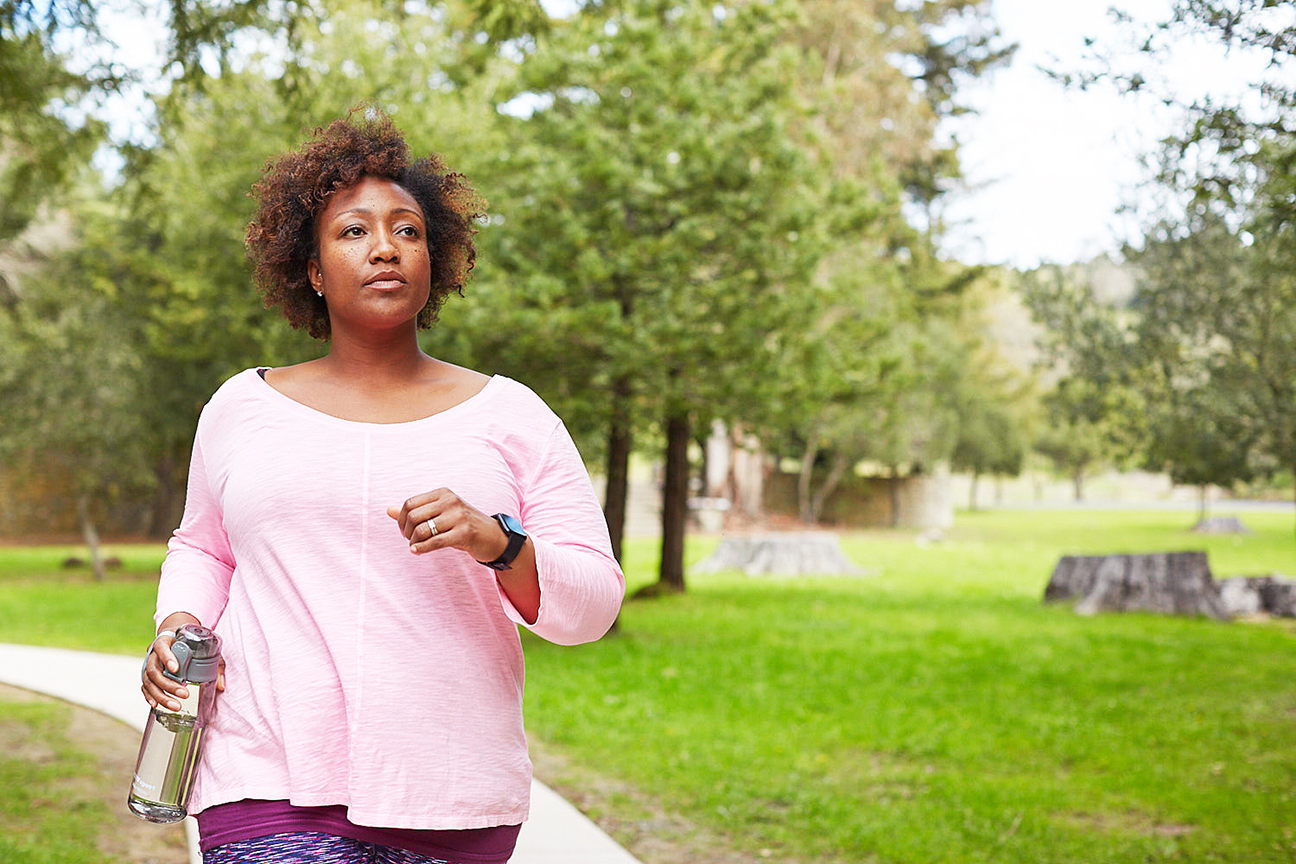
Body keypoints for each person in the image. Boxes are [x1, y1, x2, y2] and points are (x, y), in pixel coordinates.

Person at [140, 108, 626, 864]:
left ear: (437, 259)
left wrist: (498, 542)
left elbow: (592, 603)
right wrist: (177, 623)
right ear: (311, 268)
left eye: (408, 230)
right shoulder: (242, 407)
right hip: (266, 785)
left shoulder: (511, 415)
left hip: (452, 798)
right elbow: (205, 549)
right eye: (354, 231)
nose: (385, 248)